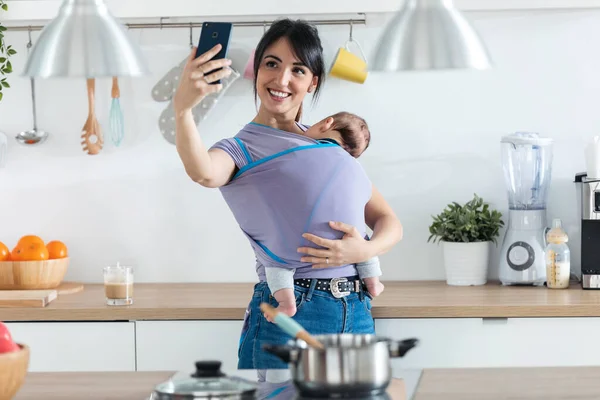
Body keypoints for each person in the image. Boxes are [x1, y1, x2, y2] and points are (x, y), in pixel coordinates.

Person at [173, 18, 403, 370]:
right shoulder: (241, 148)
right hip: (290, 310)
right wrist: (183, 109)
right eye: (272, 64)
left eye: (297, 69)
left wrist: (365, 249)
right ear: (258, 70)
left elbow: (389, 221)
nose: (281, 80)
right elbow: (203, 171)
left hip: (355, 309)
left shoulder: (332, 146)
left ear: (313, 82)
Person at [260, 111, 385, 322]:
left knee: (277, 258)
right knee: (363, 243)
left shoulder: (299, 152)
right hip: (347, 240)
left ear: (327, 123)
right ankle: (373, 282)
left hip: (303, 241)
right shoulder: (354, 168)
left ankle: (286, 303)